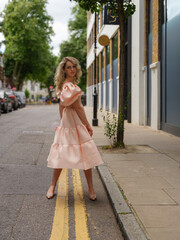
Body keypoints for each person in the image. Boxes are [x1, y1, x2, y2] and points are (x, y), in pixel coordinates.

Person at [46, 57, 103, 201]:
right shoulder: (70, 87)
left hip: (68, 122)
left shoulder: (64, 85)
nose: (72, 69)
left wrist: (61, 122)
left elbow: (61, 106)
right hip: (72, 122)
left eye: (73, 67)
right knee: (81, 154)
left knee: (79, 154)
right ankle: (53, 186)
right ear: (64, 70)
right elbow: (78, 107)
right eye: (68, 67)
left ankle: (88, 188)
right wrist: (87, 124)